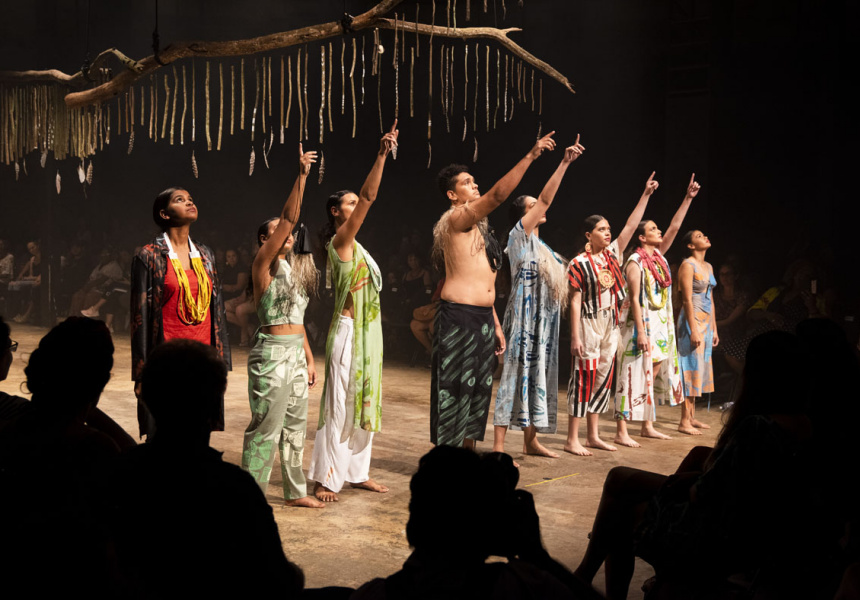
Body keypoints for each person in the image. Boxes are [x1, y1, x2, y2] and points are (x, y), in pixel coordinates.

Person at [573, 331, 837, 599]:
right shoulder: (805, 426)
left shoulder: (758, 428)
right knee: (630, 482)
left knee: (620, 502)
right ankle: (586, 576)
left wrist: (688, 480)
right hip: (750, 534)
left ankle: (586, 577)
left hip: (718, 539)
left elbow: (703, 493)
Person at [102, 340, 304, 598]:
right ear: (216, 404)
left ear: (146, 398)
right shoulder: (235, 490)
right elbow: (280, 581)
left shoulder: (120, 474)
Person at [430, 131, 557, 449]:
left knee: (476, 391)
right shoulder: (456, 218)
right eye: (467, 183)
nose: (474, 186)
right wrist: (530, 155)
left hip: (483, 319)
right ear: (452, 195)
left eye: (475, 181)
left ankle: (468, 454)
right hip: (458, 317)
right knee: (454, 389)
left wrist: (496, 325)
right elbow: (498, 195)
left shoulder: (480, 232)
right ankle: (447, 459)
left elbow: (484, 284)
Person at [351, 446, 602, 600]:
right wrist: (537, 555)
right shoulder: (520, 587)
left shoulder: (374, 594)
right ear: (494, 527)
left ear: (414, 522)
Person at [308, 124, 398, 502]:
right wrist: (381, 156)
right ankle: (326, 477)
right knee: (339, 404)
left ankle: (357, 473)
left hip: (370, 333)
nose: (356, 206)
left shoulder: (358, 246)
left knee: (366, 398)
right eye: (350, 203)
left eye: (354, 203)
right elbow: (369, 196)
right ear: (336, 211)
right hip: (347, 331)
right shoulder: (340, 241)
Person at [241, 146, 324, 509]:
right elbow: (290, 218)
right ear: (265, 240)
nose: (287, 233)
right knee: (265, 427)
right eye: (277, 231)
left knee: (294, 426)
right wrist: (302, 176)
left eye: (287, 231)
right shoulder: (264, 265)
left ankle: (295, 491)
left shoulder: (295, 269)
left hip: (295, 354)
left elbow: (298, 321)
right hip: (272, 355)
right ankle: (250, 496)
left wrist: (309, 358)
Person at [492, 137, 585, 462]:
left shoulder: (546, 250)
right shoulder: (518, 238)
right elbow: (546, 199)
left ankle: (530, 441)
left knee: (538, 378)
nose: (539, 208)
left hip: (544, 325)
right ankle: (499, 447)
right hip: (523, 320)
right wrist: (564, 163)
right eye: (532, 206)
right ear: (522, 215)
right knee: (513, 378)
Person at [565, 173, 659, 456]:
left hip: (611, 323)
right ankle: (572, 438)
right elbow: (574, 301)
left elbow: (631, 226)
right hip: (589, 323)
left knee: (603, 377)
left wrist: (646, 195)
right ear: (588, 235)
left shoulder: (612, 256)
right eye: (601, 229)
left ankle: (593, 436)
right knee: (584, 377)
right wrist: (575, 336)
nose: (608, 233)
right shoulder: (579, 263)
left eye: (608, 229)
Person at [130, 187, 231, 439]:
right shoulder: (149, 256)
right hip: (168, 362)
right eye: (180, 200)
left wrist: (221, 361)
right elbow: (139, 318)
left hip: (203, 359)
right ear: (164, 214)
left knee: (198, 436)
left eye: (190, 199)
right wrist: (141, 374)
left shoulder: (205, 254)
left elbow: (217, 309)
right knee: (165, 437)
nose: (188, 203)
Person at [613, 174, 700, 447]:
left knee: (652, 373)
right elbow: (634, 298)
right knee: (631, 374)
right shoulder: (635, 261)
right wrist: (641, 332)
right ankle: (621, 430)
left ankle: (647, 425)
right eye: (653, 229)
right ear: (642, 237)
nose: (659, 231)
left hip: (660, 323)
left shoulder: (659, 257)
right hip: (640, 324)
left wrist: (687, 199)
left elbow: (675, 227)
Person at [676, 229, 718, 435]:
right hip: (691, 320)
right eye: (699, 236)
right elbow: (686, 300)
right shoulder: (687, 265)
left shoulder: (708, 266)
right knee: (690, 367)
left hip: (706, 321)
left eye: (704, 235)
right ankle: (684, 421)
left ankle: (691, 417)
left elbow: (711, 298)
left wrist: (714, 328)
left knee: (700, 368)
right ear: (691, 245)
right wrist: (693, 329)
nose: (705, 237)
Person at [9, 240, 41, 323]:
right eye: (29, 249)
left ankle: (24, 314)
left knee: (19, 285)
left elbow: (42, 276)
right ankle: (15, 312)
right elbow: (31, 275)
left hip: (39, 281)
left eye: (33, 247)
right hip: (32, 280)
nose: (31, 250)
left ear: (37, 246)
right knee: (11, 285)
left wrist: (27, 279)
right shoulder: (32, 259)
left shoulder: (44, 258)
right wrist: (26, 278)